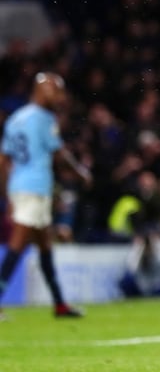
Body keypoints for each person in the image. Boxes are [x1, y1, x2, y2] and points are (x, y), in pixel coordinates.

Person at [0, 72, 91, 319]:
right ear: (42, 90)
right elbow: (60, 154)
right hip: (34, 187)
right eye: (56, 90)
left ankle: (60, 304)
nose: (60, 97)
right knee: (17, 245)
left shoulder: (16, 118)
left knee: (44, 246)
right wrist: (81, 173)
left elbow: (3, 160)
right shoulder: (44, 118)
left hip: (22, 187)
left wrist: (7, 193)